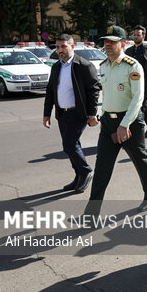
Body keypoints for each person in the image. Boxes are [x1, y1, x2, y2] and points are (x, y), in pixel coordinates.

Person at [85, 25, 147, 214]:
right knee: (102, 167)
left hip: (130, 122)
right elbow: (106, 96)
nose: (107, 45)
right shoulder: (103, 66)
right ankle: (91, 214)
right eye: (105, 41)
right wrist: (101, 116)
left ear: (123, 44)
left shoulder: (132, 66)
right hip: (109, 123)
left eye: (112, 42)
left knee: (139, 160)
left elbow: (138, 98)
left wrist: (124, 124)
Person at [43, 34, 100, 193]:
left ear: (72, 46)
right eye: (58, 47)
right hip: (62, 113)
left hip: (78, 113)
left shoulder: (84, 65)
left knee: (69, 145)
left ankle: (85, 171)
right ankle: (78, 176)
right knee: (72, 146)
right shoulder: (56, 67)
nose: (60, 50)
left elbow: (94, 91)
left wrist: (92, 114)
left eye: (64, 47)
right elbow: (50, 91)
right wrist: (47, 114)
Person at [124, 25, 147, 138]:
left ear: (143, 36)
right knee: (135, 104)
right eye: (134, 35)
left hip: (146, 82)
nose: (135, 37)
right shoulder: (129, 51)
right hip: (132, 82)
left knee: (142, 104)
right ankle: (135, 127)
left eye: (138, 35)